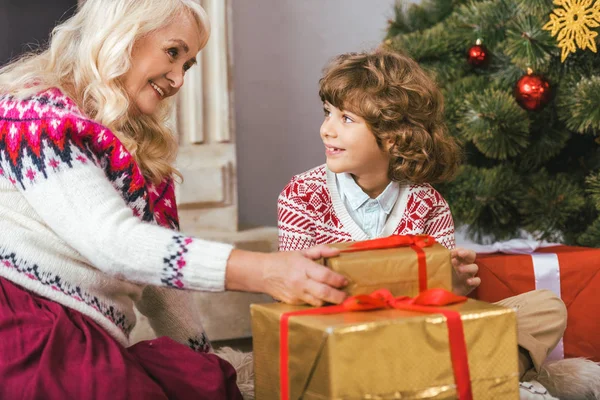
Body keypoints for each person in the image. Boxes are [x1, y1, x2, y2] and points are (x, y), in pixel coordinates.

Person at [0, 1, 350, 398]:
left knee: (206, 380)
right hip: (23, 320)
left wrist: (199, 361)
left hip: (86, 329)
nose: (179, 79)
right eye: (173, 52)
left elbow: (161, 286)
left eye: (188, 64)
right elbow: (114, 242)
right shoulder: (32, 115)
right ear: (122, 34)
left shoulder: (137, 150)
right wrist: (260, 269)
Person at [277, 50, 600, 399]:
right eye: (328, 113)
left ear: (395, 136)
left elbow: (442, 301)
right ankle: (477, 381)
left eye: (346, 119)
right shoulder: (301, 196)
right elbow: (291, 299)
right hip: (342, 340)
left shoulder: (428, 203)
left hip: (421, 337)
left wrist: (455, 286)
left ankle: (448, 379)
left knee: (546, 308)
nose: (327, 129)